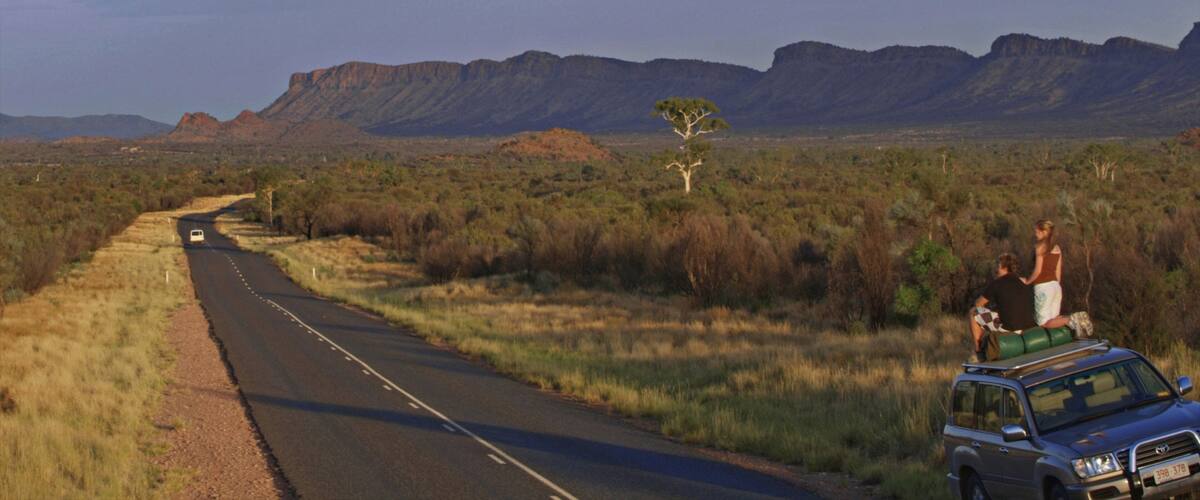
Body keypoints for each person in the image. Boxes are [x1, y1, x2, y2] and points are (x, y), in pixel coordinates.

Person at [968, 254, 1038, 362]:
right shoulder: (1022, 282)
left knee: (973, 313)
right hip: (1029, 325)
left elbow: (978, 304)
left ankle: (978, 352)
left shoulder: (997, 283)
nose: (996, 269)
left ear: (1004, 267)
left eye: (998, 265)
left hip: (1010, 327)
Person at [1023, 219, 1062, 327]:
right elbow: (1058, 272)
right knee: (1054, 322)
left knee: (1043, 323)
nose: (1035, 235)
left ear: (1044, 232)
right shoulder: (1057, 248)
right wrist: (1055, 284)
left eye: (1037, 232)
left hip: (1043, 287)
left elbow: (1038, 270)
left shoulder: (1040, 247)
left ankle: (1071, 320)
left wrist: (1027, 281)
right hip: (1056, 286)